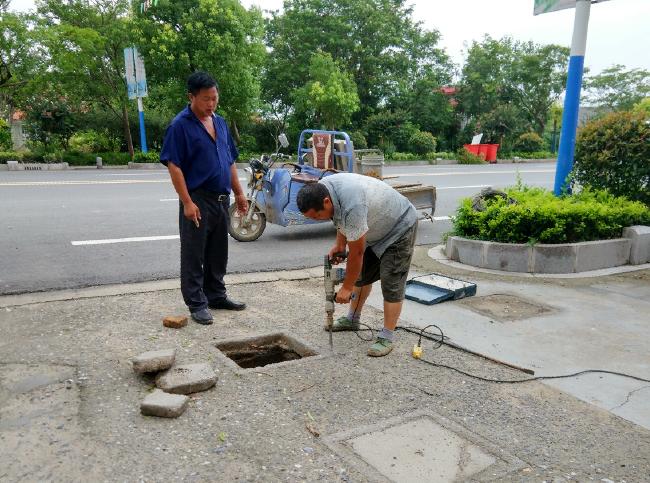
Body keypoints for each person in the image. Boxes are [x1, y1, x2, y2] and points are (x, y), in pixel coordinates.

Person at [160, 71, 248, 325]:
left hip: (221, 199)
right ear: (192, 97)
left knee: (218, 252)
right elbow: (174, 166)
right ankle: (196, 303)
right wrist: (187, 202)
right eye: (206, 99)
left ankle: (216, 295)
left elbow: (229, 161)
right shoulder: (180, 125)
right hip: (197, 198)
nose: (211, 104)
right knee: (194, 253)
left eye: (214, 99)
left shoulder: (220, 123)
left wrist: (239, 193)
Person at [296, 173, 418, 356]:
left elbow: (356, 253)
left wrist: (346, 287)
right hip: (373, 227)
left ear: (326, 201)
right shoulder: (322, 189)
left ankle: (387, 336)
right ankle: (352, 319)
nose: (317, 220)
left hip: (399, 227)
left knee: (391, 281)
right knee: (361, 276)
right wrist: (340, 244)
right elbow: (340, 217)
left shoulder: (353, 205)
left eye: (317, 216)